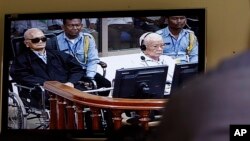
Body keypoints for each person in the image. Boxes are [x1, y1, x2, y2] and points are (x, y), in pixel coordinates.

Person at [148, 49, 250, 141]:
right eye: (155, 46)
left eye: (161, 45)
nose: (159, 48)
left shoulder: (191, 93)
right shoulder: (194, 95)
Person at [10, 28, 87, 108]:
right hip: (41, 91)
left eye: (43, 39)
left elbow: (77, 69)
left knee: (89, 98)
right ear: (26, 43)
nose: (40, 41)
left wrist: (71, 82)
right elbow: (22, 76)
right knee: (61, 101)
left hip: (68, 87)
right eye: (35, 40)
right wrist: (50, 85)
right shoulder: (21, 60)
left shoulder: (59, 55)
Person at [56, 18, 111, 96]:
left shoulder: (87, 38)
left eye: (77, 25)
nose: (75, 28)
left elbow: (92, 60)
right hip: (68, 75)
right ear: (63, 27)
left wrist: (89, 78)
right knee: (80, 92)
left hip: (85, 71)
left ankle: (100, 107)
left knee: (106, 84)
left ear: (81, 26)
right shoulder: (56, 41)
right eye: (71, 26)